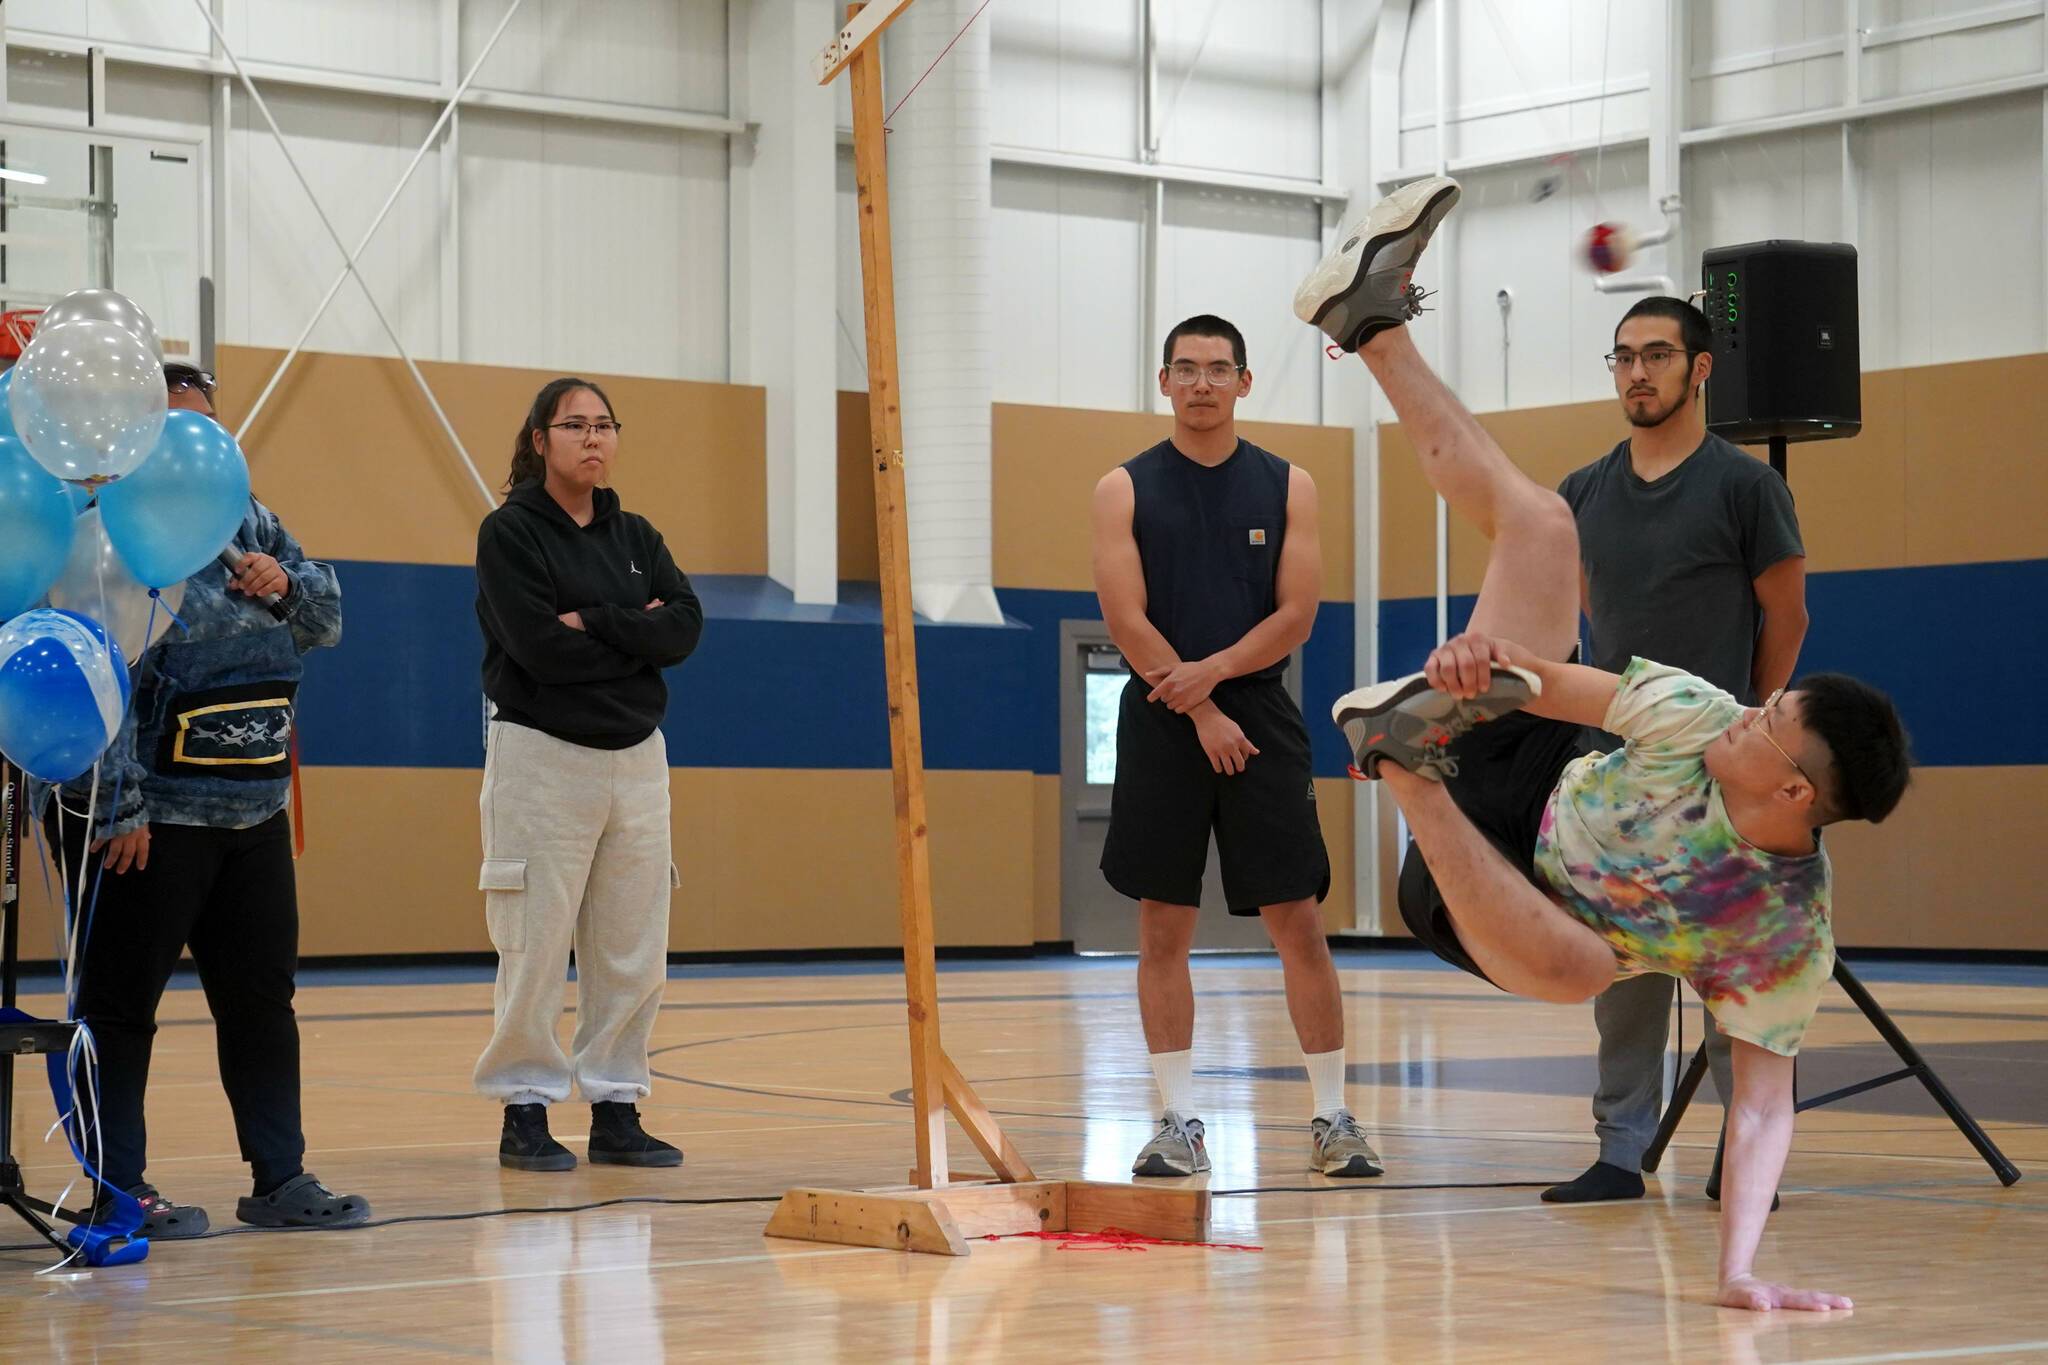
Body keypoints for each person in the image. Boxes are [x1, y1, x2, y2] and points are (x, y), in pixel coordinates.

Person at [1297, 176, 1909, 1310]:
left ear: (1789, 789)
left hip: (1495, 896)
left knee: (1589, 967)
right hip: (1532, 773)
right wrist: (1476, 672)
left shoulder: (1780, 932)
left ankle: (1399, 768)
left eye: (1767, 716)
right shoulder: (1693, 711)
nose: (1747, 709)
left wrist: (1739, 1270)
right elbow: (1556, 684)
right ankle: (1367, 322)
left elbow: (1766, 1105)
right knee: (1536, 522)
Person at [44, 360, 365, 1237]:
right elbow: (84, 671)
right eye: (177, 429)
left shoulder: (249, 518)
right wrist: (117, 808)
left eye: (210, 432)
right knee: (121, 1009)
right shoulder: (103, 531)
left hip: (253, 813)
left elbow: (327, 618)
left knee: (262, 1002)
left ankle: (280, 1175)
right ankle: (120, 1184)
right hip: (149, 822)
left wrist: (287, 583)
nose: (198, 447)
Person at [1090, 314, 1381, 1180]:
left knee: (1299, 922)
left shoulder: (1289, 484)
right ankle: (1176, 1120)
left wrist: (1213, 682)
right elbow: (1123, 617)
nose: (1203, 383)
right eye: (1187, 369)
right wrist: (1196, 704)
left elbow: (1296, 614)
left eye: (1219, 369)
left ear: (1245, 382)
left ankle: (1332, 1114)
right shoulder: (1123, 487)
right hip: (1162, 715)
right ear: (1164, 381)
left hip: (1258, 716)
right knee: (1161, 928)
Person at [1546, 297, 1809, 1205]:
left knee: (1734, 974)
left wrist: (1750, 724)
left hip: (1724, 776)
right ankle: (1620, 1152)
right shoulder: (1580, 491)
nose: (1636, 374)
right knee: (1621, 973)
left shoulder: (1745, 486)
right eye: (1621, 357)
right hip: (1617, 779)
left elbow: (1788, 613)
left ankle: (1745, 1163)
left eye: (1655, 355)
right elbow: (1587, 614)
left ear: (1700, 369)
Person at [473, 377, 703, 1172]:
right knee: (535, 940)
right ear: (540, 439)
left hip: (637, 756)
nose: (593, 438)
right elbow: (539, 648)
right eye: (574, 425)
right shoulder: (510, 534)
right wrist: (632, 632)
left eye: (604, 425)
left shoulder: (636, 534)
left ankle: (615, 1102)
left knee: (632, 940)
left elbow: (684, 625)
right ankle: (526, 1107)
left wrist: (600, 621)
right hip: (541, 754)